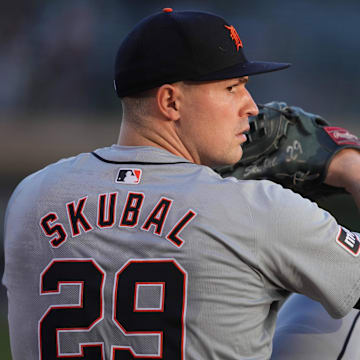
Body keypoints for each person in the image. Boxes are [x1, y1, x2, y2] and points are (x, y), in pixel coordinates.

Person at [3, 8, 360, 360]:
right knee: (339, 312)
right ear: (171, 101)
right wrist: (348, 167)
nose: (251, 106)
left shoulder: (31, 197)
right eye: (232, 87)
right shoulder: (254, 210)